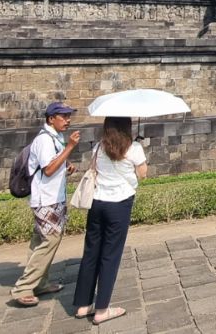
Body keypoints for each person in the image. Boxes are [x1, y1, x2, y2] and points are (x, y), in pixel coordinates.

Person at [73, 116, 148, 324]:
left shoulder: (99, 146)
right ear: (128, 127)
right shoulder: (133, 148)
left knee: (91, 253)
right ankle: (102, 309)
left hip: (97, 203)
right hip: (119, 204)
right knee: (110, 255)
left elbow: (93, 168)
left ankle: (82, 304)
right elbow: (143, 174)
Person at [11, 102, 81, 307]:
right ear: (51, 119)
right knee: (49, 240)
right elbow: (49, 169)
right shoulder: (44, 140)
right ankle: (23, 287)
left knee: (40, 241)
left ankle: (40, 282)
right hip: (45, 200)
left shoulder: (54, 138)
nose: (68, 120)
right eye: (64, 117)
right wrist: (70, 147)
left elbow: (52, 167)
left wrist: (66, 167)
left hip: (53, 197)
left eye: (69, 116)